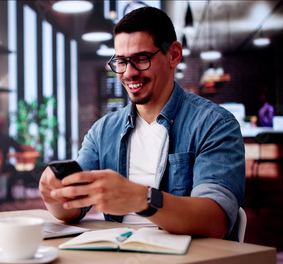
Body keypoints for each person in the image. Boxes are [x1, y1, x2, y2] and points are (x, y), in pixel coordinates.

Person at [39, 7, 245, 241]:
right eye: (121, 61)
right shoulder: (103, 131)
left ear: (173, 55)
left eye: (141, 59)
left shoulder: (215, 124)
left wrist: (142, 198)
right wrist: (53, 195)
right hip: (120, 253)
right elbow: (73, 210)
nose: (128, 73)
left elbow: (214, 220)